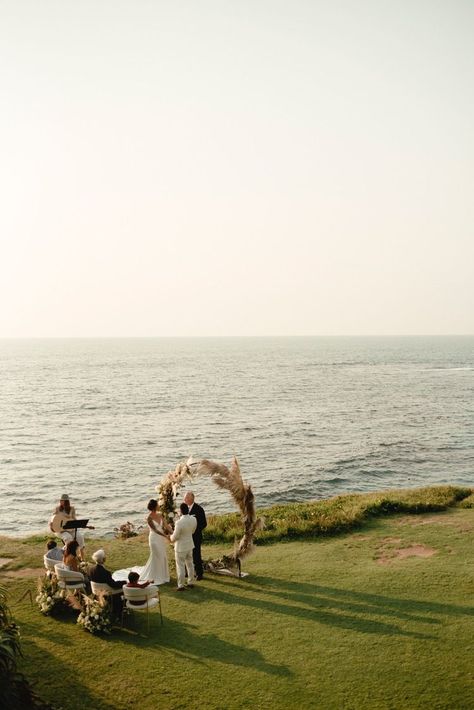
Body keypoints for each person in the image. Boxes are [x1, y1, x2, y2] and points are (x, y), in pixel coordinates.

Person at [138, 499, 172, 585]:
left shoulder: (160, 515)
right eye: (157, 505)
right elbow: (155, 530)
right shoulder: (149, 518)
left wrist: (173, 532)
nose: (159, 506)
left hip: (160, 539)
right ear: (154, 507)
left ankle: (163, 575)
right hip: (154, 539)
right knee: (157, 556)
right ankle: (155, 576)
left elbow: (166, 525)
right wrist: (165, 536)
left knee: (162, 555)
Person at [89, 549, 125, 619]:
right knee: (123, 589)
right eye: (104, 556)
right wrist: (124, 582)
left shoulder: (91, 569)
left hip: (96, 591)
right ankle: (119, 610)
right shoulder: (105, 572)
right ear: (103, 559)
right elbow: (113, 585)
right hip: (108, 591)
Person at [49, 494, 86, 561]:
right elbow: (52, 519)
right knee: (69, 538)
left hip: (71, 529)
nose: (65, 502)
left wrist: (80, 524)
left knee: (80, 537)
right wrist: (51, 527)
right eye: (63, 501)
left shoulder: (72, 509)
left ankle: (81, 557)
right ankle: (68, 557)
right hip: (60, 530)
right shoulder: (57, 509)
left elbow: (74, 519)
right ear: (60, 502)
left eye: (66, 501)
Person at [170, 502, 197, 591]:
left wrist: (170, 537)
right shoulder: (193, 519)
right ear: (188, 510)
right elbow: (193, 531)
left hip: (180, 547)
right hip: (190, 545)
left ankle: (181, 585)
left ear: (180, 511)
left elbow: (175, 537)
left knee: (180, 566)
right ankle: (191, 582)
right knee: (190, 564)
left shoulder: (179, 522)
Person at [184, 491, 207, 580]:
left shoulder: (199, 509)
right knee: (186, 554)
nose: (184, 499)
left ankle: (199, 573)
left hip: (196, 536)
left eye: (186, 498)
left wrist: (194, 530)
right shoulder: (184, 509)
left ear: (190, 499)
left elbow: (204, 523)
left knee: (196, 555)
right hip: (186, 537)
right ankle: (187, 572)